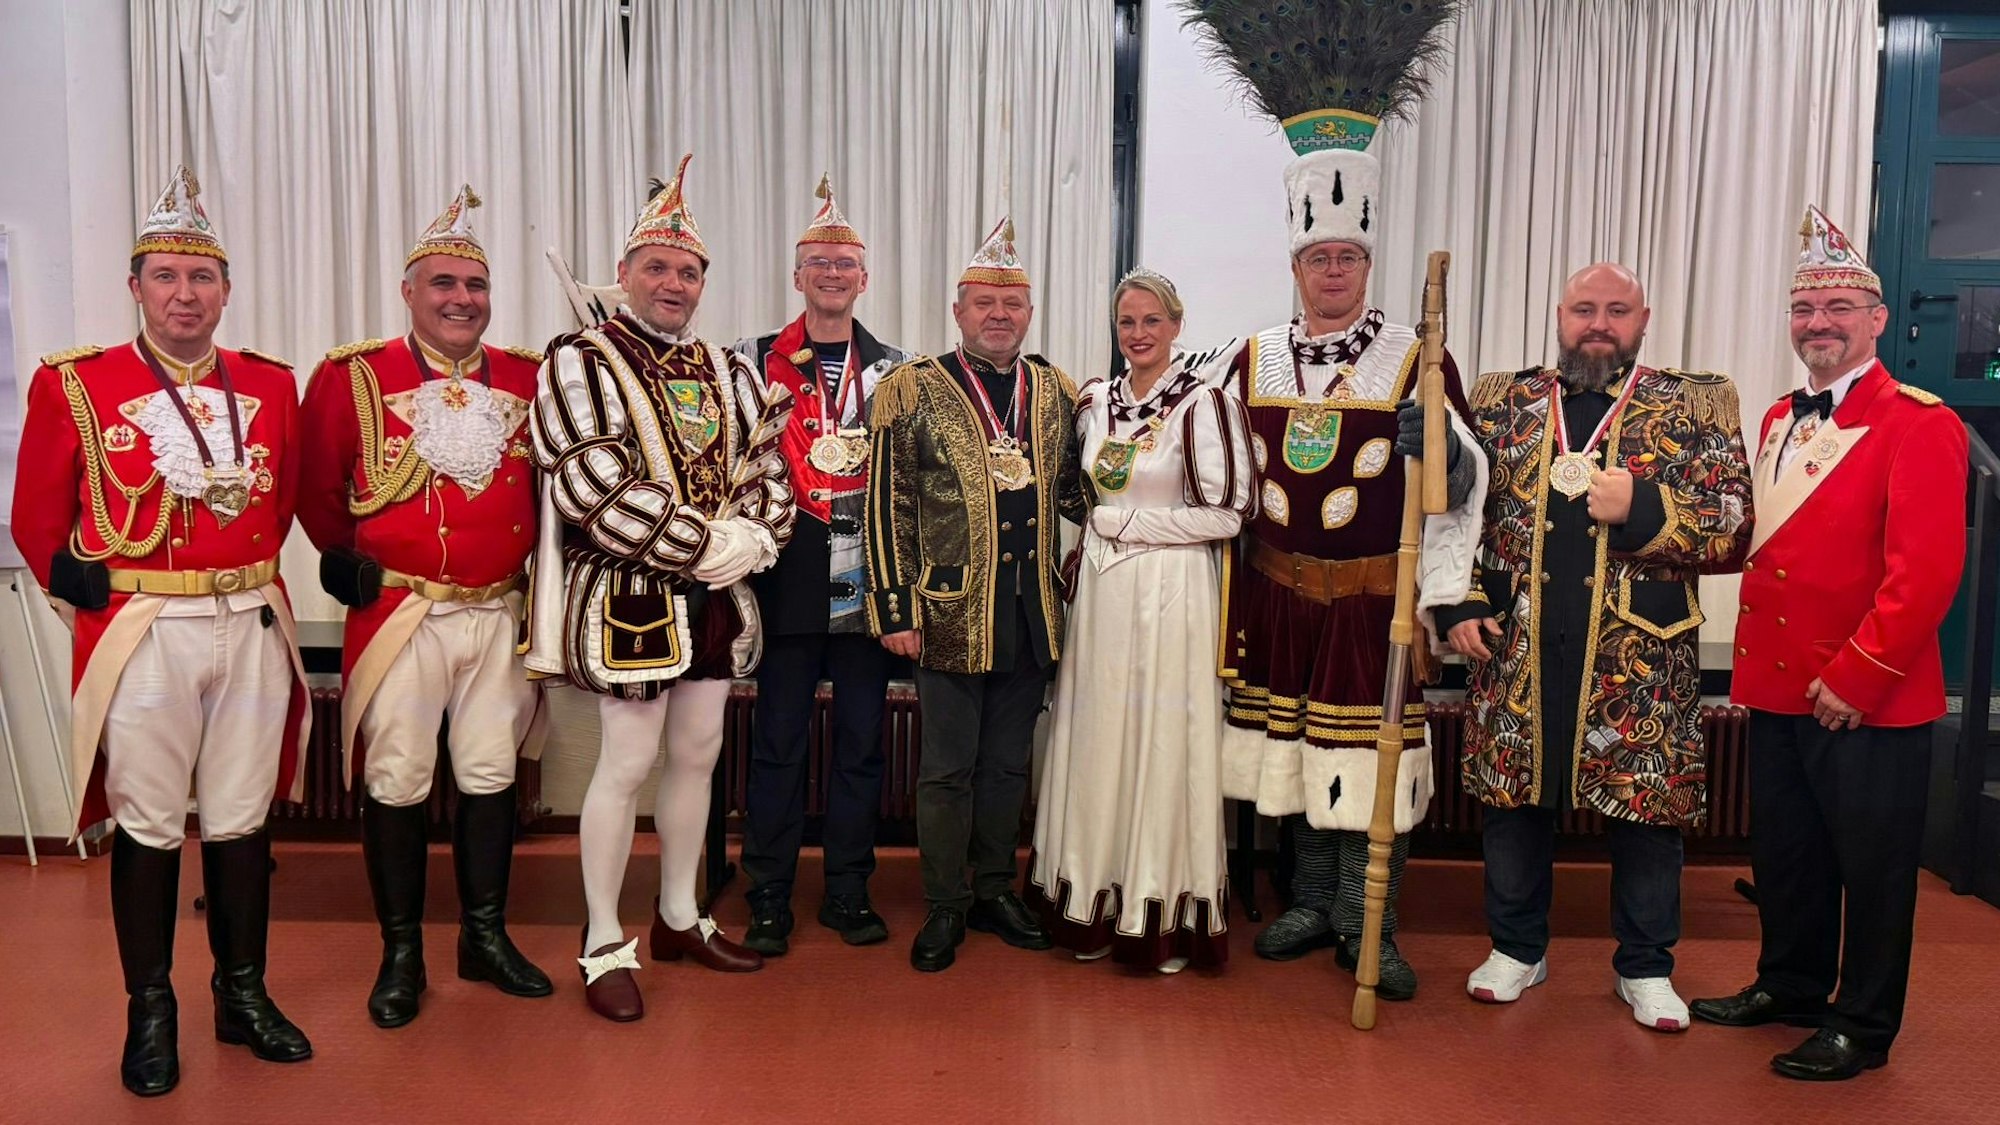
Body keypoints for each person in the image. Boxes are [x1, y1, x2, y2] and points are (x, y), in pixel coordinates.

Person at [10, 165, 313, 1095]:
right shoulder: (77, 384)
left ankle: (242, 992)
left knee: (239, 817)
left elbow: (287, 494)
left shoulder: (270, 384)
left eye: (203, 278)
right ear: (136, 287)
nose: (187, 295)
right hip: (145, 623)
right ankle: (151, 1007)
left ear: (226, 289)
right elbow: (37, 513)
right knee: (146, 821)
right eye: (167, 277)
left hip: (251, 615)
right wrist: (77, 583)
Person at [1434, 262, 1752, 1031]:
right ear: (1558, 314)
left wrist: (1644, 506)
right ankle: (1516, 947)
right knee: (1513, 802)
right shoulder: (1503, 400)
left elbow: (1736, 523)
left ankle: (1644, 966)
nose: (1598, 323)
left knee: (1646, 811)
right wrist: (1462, 602)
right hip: (1520, 642)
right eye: (1584, 309)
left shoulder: (1693, 400)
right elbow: (1463, 514)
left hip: (1638, 654)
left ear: (1645, 318)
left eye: (1616, 310)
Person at [1691, 206, 1969, 1081]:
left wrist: (1859, 675)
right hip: (1776, 687)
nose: (1820, 323)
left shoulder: (1920, 422)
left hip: (1865, 697)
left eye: (1840, 307)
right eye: (1806, 309)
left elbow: (1923, 574)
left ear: (1877, 320)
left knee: (1874, 871)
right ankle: (1792, 984)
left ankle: (1864, 1020)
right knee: (1789, 856)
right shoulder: (1778, 415)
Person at [1210, 136, 1484, 1004]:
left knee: (1371, 765)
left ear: (1368, 263)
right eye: (1319, 256)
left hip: (1375, 605)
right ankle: (1315, 903)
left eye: (1349, 256)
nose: (1334, 270)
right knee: (1297, 756)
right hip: (1279, 596)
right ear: (1296, 265)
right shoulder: (1248, 356)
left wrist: (1436, 448)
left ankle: (1374, 923)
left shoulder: (1416, 356)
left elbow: (1471, 475)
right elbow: (1205, 462)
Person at [525, 155, 795, 1021]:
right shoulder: (578, 358)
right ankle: (604, 940)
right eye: (657, 267)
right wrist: (703, 543)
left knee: (698, 753)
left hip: (716, 596)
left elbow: (770, 466)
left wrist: (753, 536)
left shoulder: (732, 367)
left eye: (687, 271)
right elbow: (588, 482)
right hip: (629, 597)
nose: (673, 283)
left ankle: (679, 912)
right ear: (626, 273)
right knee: (628, 761)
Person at [298, 185, 553, 1029]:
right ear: (410, 292)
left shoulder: (527, 375)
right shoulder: (353, 375)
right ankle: (400, 952)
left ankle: (484, 936)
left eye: (474, 287)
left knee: (490, 771)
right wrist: (350, 559)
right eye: (442, 284)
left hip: (499, 614)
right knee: (398, 776)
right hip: (403, 612)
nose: (460, 300)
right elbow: (317, 489)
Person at [865, 215, 1088, 972]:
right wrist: (895, 609)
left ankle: (995, 889)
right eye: (985, 304)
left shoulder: (1055, 390)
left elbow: (1075, 493)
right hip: (947, 613)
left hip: (1030, 615)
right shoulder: (914, 388)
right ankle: (945, 905)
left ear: (1030, 313)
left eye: (1014, 304)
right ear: (958, 311)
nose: (1000, 316)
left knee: (1007, 768)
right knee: (946, 770)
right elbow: (887, 504)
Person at [1028, 269, 1253, 973]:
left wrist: (1130, 522)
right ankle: (1090, 896)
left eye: (1151, 320)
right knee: (1098, 737)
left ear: (1176, 324)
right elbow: (1079, 491)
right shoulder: (1095, 400)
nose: (1138, 333)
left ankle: (1157, 906)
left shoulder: (1206, 401)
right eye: (1127, 321)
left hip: (1171, 592)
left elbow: (1231, 511)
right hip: (1101, 593)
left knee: (1159, 738)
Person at [731, 175, 910, 955]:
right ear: (797, 276)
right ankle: (768, 891)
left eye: (846, 263)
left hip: (865, 576)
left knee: (864, 740)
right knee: (777, 739)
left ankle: (847, 888)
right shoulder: (746, 361)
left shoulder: (899, 369)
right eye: (819, 262)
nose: (834, 274)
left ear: (865, 278)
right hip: (787, 570)